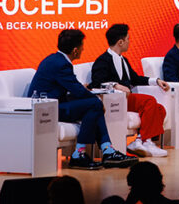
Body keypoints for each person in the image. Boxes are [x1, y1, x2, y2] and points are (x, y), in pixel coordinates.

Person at [27, 29, 136, 169]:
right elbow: (77, 90)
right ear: (75, 50)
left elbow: (72, 86)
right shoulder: (61, 64)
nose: (83, 49)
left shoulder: (55, 59)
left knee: (94, 105)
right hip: (47, 109)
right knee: (94, 103)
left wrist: (88, 94)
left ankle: (107, 150)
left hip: (54, 104)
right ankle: (81, 154)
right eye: (82, 47)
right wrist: (94, 98)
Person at [90, 23, 170, 157]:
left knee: (160, 109)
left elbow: (135, 78)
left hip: (127, 98)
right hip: (115, 100)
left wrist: (156, 81)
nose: (129, 42)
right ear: (120, 42)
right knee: (149, 100)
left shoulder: (124, 60)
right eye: (128, 39)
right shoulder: (102, 61)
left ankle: (141, 140)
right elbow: (96, 83)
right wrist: (115, 85)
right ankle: (145, 140)